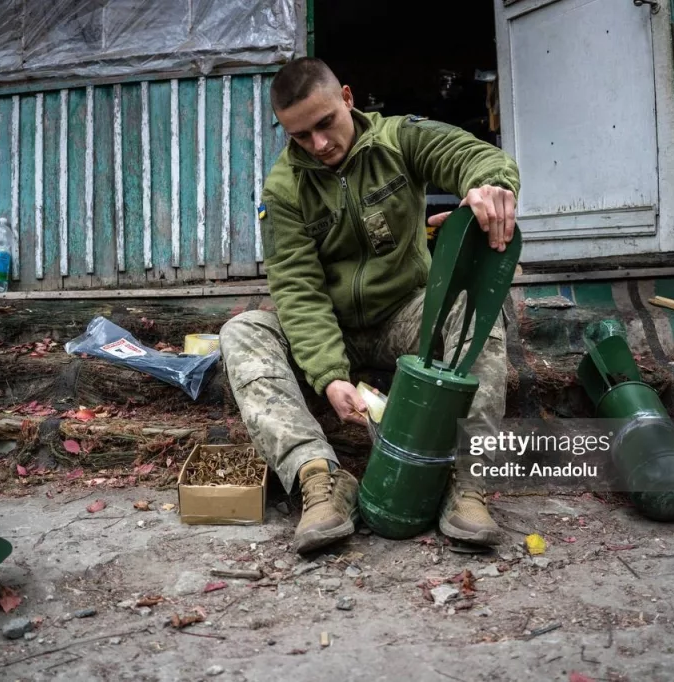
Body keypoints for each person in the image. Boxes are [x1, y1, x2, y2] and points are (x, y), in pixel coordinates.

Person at [219, 57, 521, 554]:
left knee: (472, 305)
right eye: (300, 136)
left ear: (347, 99)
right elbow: (297, 288)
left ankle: (466, 479)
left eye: (325, 125)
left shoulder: (400, 139)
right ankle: (320, 478)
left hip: (407, 316)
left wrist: (490, 188)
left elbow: (471, 155)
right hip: (330, 326)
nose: (318, 145)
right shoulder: (282, 189)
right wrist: (329, 375)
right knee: (243, 330)